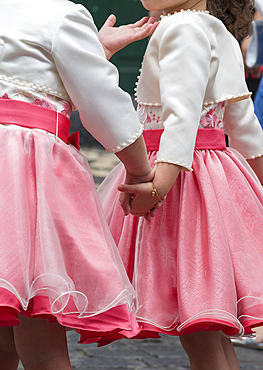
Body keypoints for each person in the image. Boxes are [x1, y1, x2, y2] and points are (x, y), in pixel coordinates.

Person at [0, 0, 159, 369]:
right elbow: (100, 100)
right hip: (21, 175)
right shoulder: (62, 15)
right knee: (38, 323)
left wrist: (98, 50)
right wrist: (141, 171)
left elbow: (27, 75)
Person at [98, 0, 263, 368]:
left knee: (201, 333)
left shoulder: (181, 26)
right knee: (211, 335)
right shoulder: (214, 29)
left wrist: (156, 188)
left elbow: (182, 117)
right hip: (214, 177)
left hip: (182, 183)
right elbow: (244, 125)